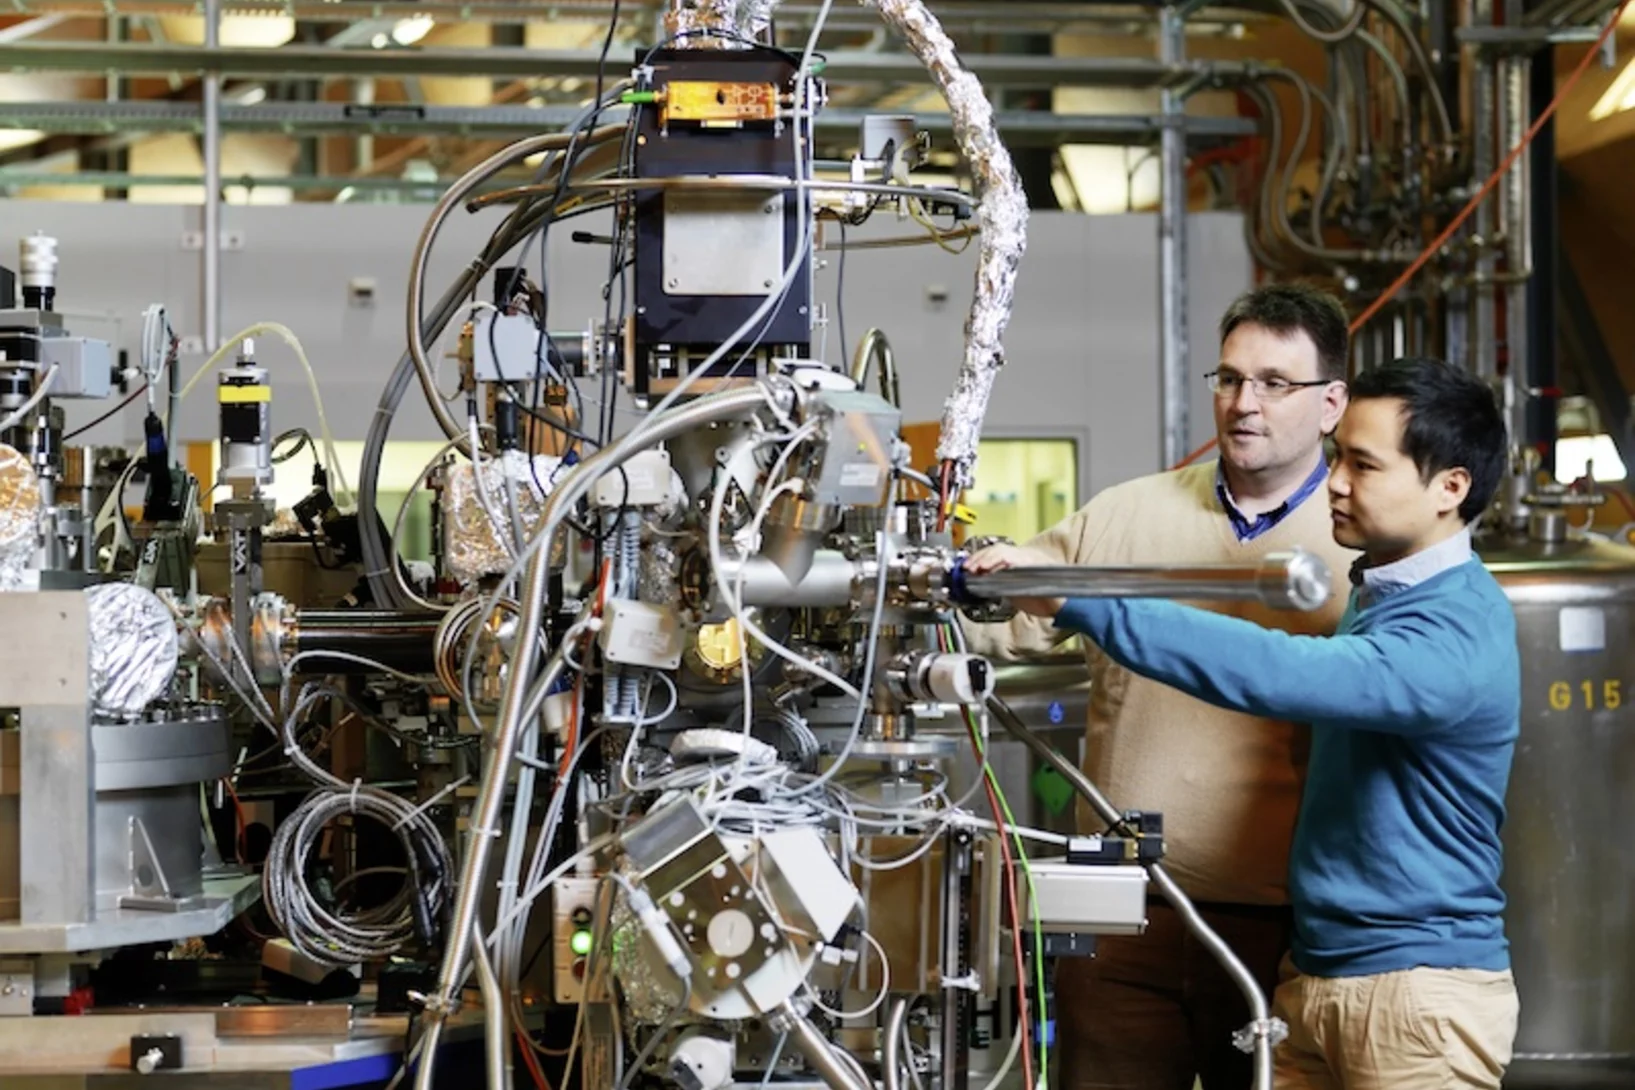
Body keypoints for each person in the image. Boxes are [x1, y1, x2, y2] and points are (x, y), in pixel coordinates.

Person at [971, 357, 1520, 1090]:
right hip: (1317, 975)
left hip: (1415, 995)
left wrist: (1077, 599)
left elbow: (1279, 671)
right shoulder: (1382, 592)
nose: (1335, 483)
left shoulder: (1457, 630)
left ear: (1449, 487)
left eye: (1363, 464)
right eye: (1337, 459)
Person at [962, 283, 1356, 1090]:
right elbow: (999, 618)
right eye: (1229, 378)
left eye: (1275, 384)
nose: (1244, 403)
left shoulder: (1356, 545)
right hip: (1119, 915)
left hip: (1283, 924)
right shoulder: (1124, 515)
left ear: (1329, 404)